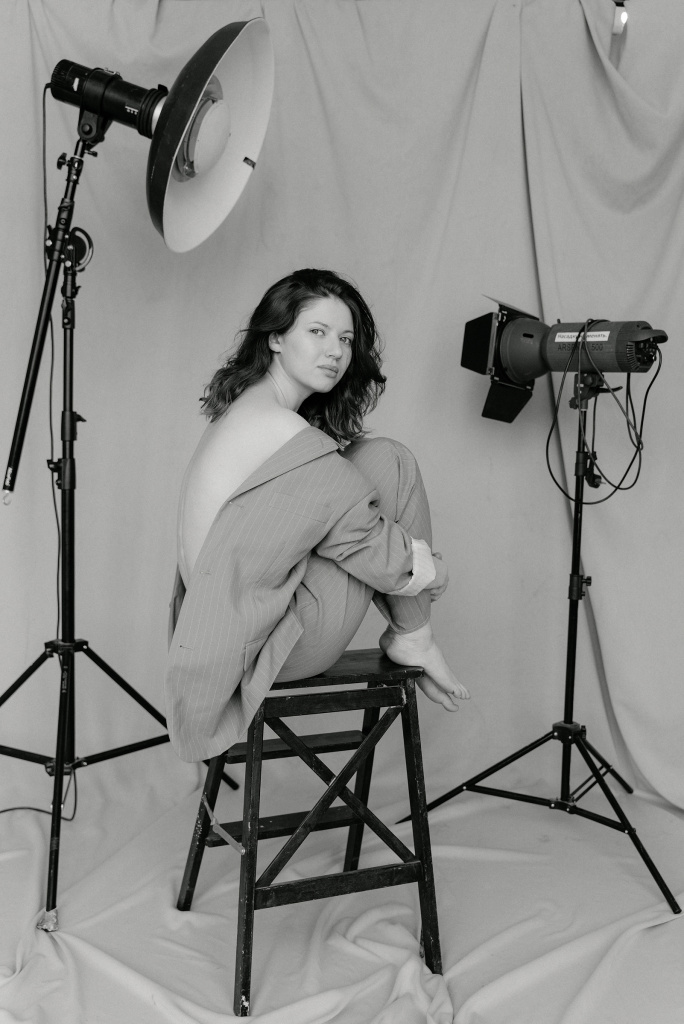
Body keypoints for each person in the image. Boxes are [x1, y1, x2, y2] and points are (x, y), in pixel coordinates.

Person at [167, 269, 468, 762]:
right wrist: (432, 572)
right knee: (391, 462)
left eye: (345, 339)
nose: (335, 351)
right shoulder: (277, 427)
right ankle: (415, 636)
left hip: (224, 642)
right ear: (276, 338)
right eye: (317, 332)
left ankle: (413, 634)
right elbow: (359, 538)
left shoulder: (246, 411)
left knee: (375, 462)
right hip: (265, 651)